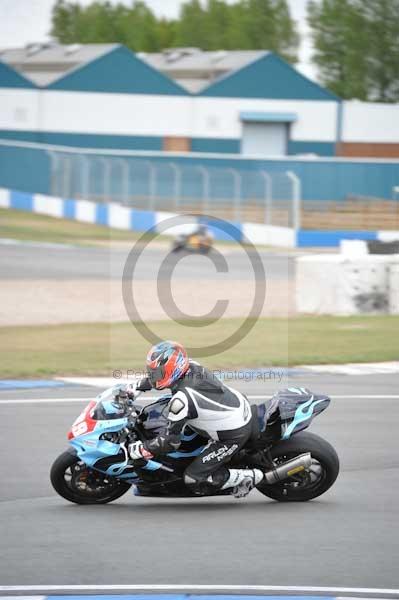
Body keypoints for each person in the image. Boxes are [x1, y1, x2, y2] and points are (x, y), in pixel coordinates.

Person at [127, 340, 264, 498]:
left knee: (193, 479)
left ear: (173, 370)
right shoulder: (191, 366)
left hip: (232, 434)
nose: (154, 376)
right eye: (152, 372)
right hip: (235, 406)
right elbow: (155, 380)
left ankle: (250, 476)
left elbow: (170, 442)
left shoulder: (182, 400)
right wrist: (135, 387)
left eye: (158, 372)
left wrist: (143, 448)